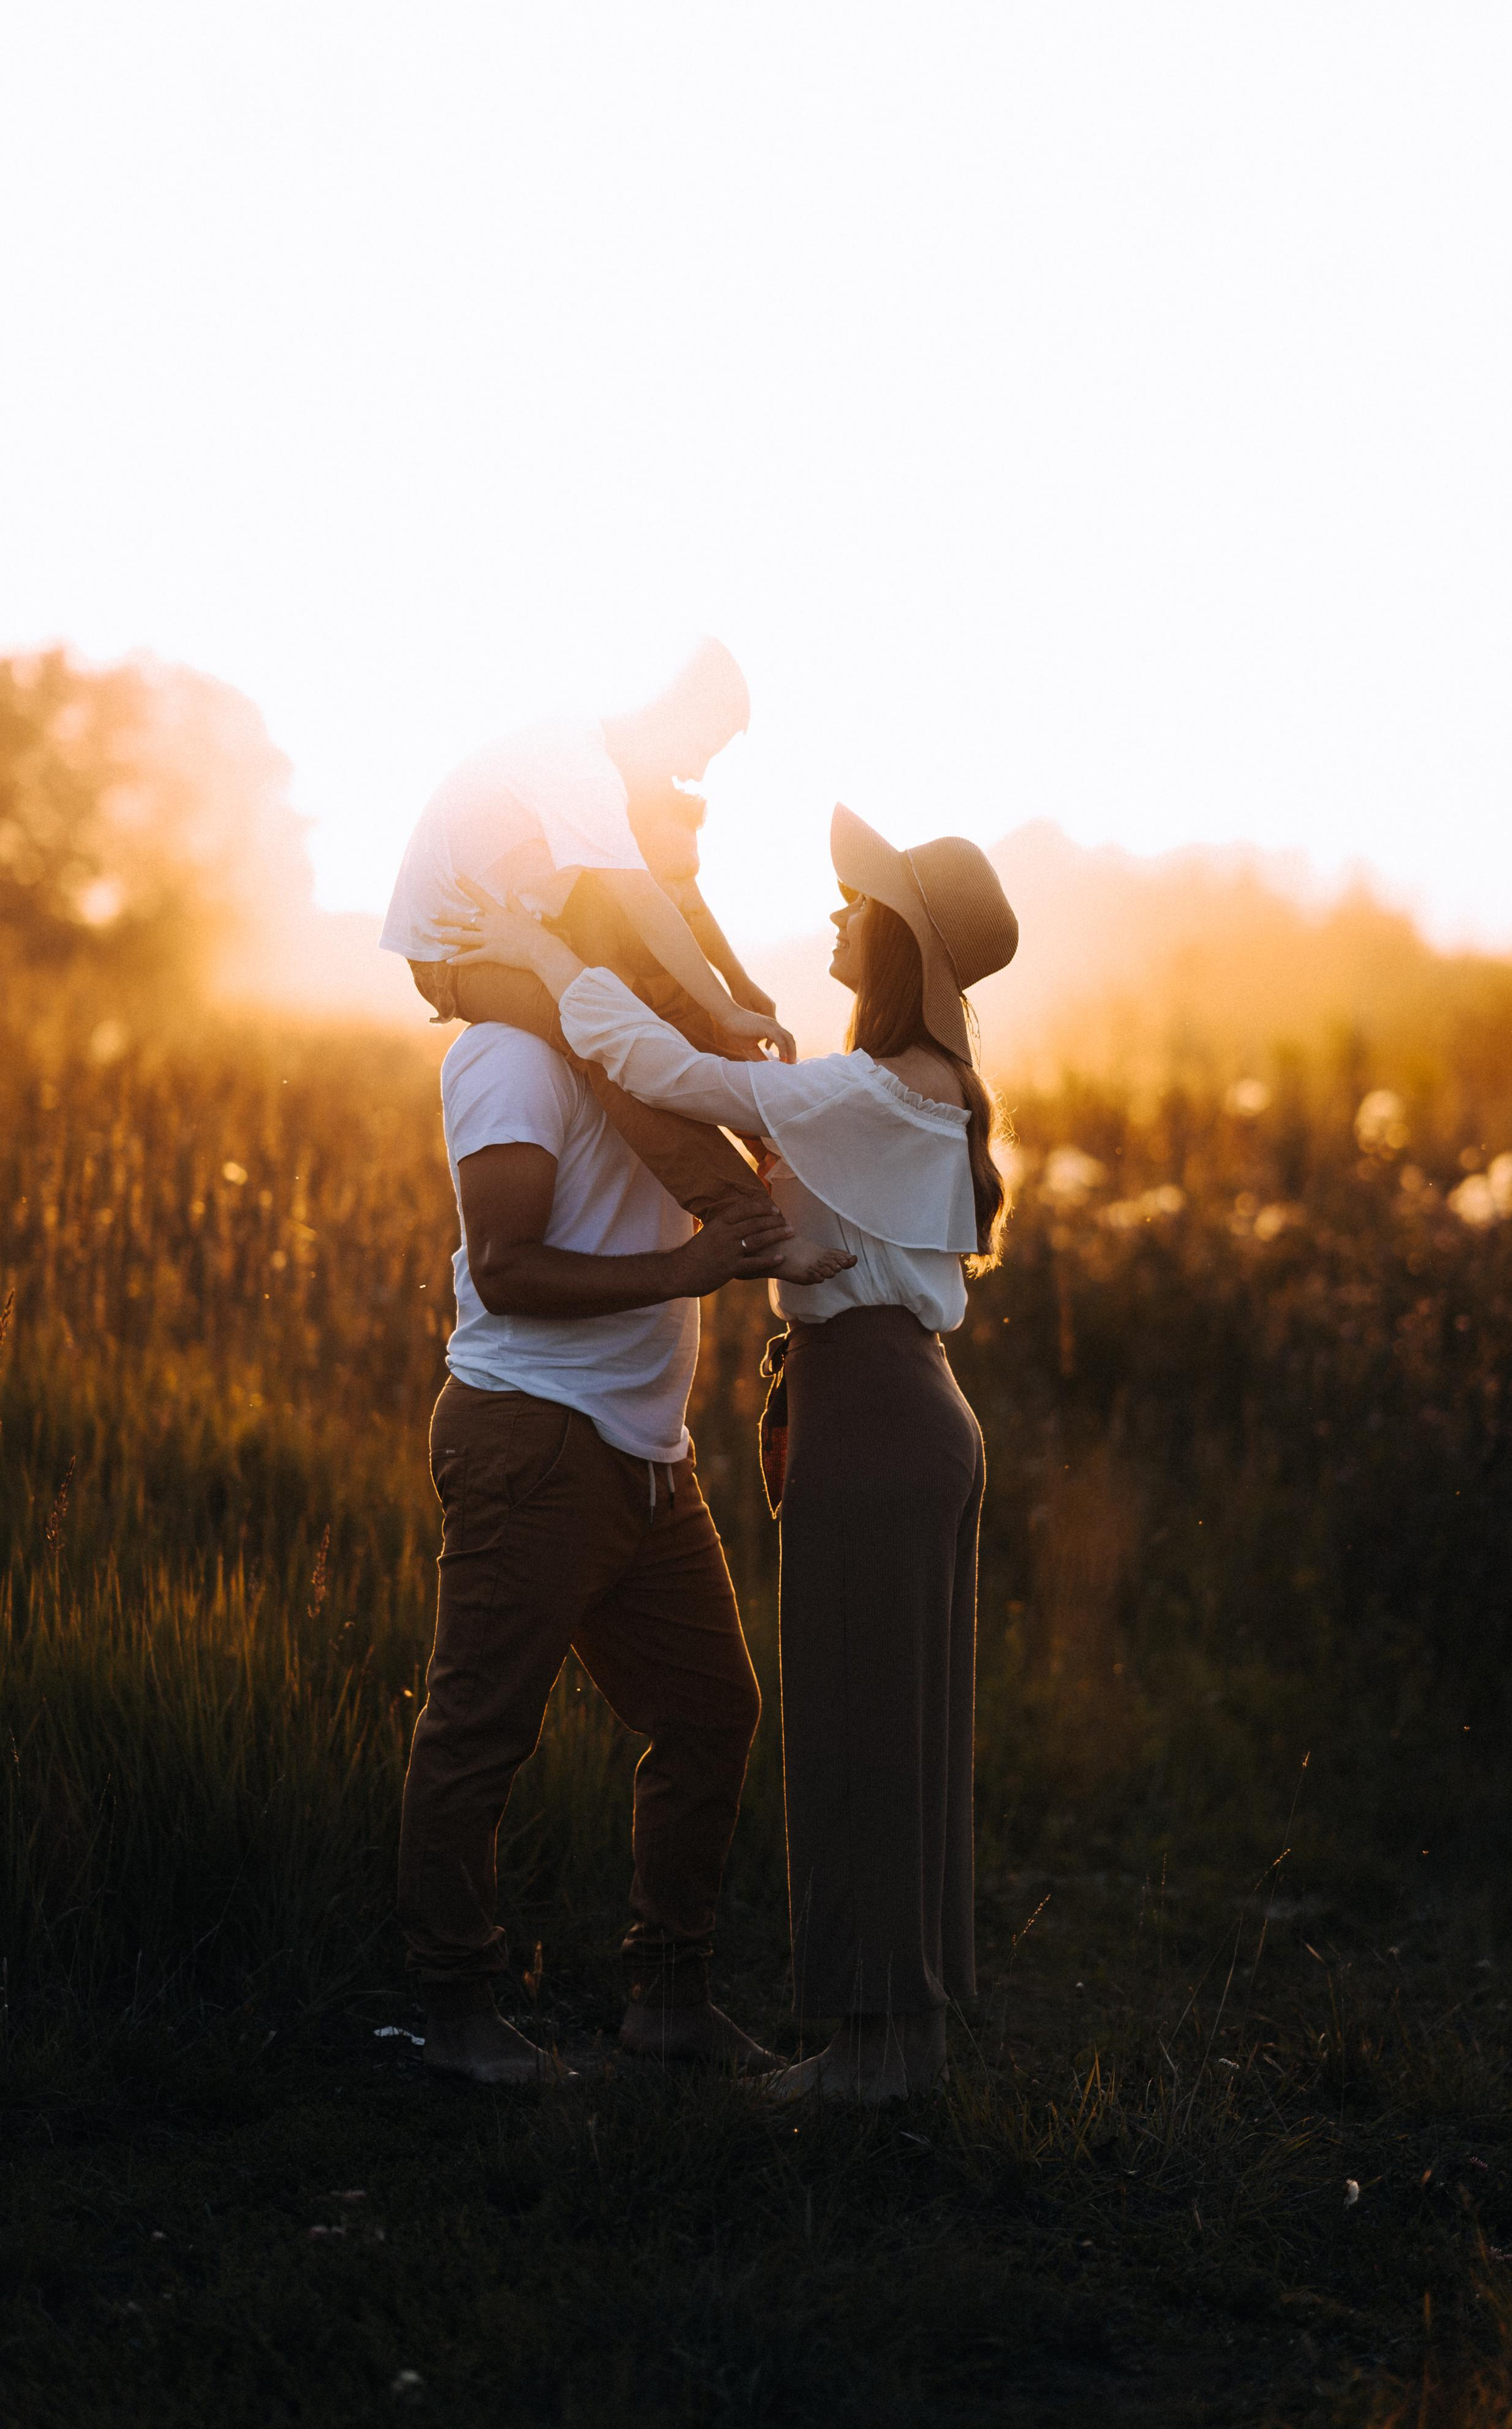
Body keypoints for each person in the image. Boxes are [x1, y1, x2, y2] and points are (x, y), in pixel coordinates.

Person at [436, 803, 1019, 2100]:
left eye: (851, 904)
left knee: (859, 1738)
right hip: (899, 1406)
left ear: (895, 945)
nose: (830, 914)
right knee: (902, 1741)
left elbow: (655, 1066)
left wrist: (538, 951)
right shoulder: (909, 1092)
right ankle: (901, 2043)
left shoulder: (874, 1092)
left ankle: (870, 2063)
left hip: (869, 1416)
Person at [397, 992, 836, 2085]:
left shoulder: (625, 1052)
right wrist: (683, 1271)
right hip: (534, 1442)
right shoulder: (507, 1056)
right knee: (480, 1732)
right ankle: (456, 2017)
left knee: (710, 1713)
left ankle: (669, 2001)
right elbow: (503, 1266)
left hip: (647, 1454)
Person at [381, 638, 840, 1279]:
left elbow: (674, 894)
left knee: (672, 1006)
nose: (700, 772)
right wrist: (725, 1006)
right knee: (604, 1040)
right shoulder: (578, 765)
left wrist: (731, 992)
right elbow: (643, 899)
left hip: (523, 933)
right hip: (461, 951)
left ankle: (792, 1165)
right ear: (677, 712)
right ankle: (755, 1230)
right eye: (703, 748)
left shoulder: (605, 771)